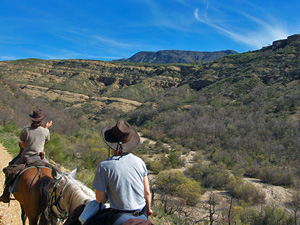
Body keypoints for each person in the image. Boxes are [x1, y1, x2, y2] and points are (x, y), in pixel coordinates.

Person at [83, 120, 153, 225]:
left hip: (119, 216)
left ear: (111, 143)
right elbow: (147, 193)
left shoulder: (104, 166)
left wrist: (111, 195)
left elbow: (100, 199)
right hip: (142, 214)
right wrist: (148, 210)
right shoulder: (140, 162)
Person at [0, 109, 52, 203]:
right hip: (41, 158)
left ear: (32, 120)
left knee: (10, 169)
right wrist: (46, 128)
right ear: (41, 121)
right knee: (55, 173)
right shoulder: (45, 131)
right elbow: (45, 141)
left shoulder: (26, 130)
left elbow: (23, 144)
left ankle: (6, 194)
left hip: (26, 158)